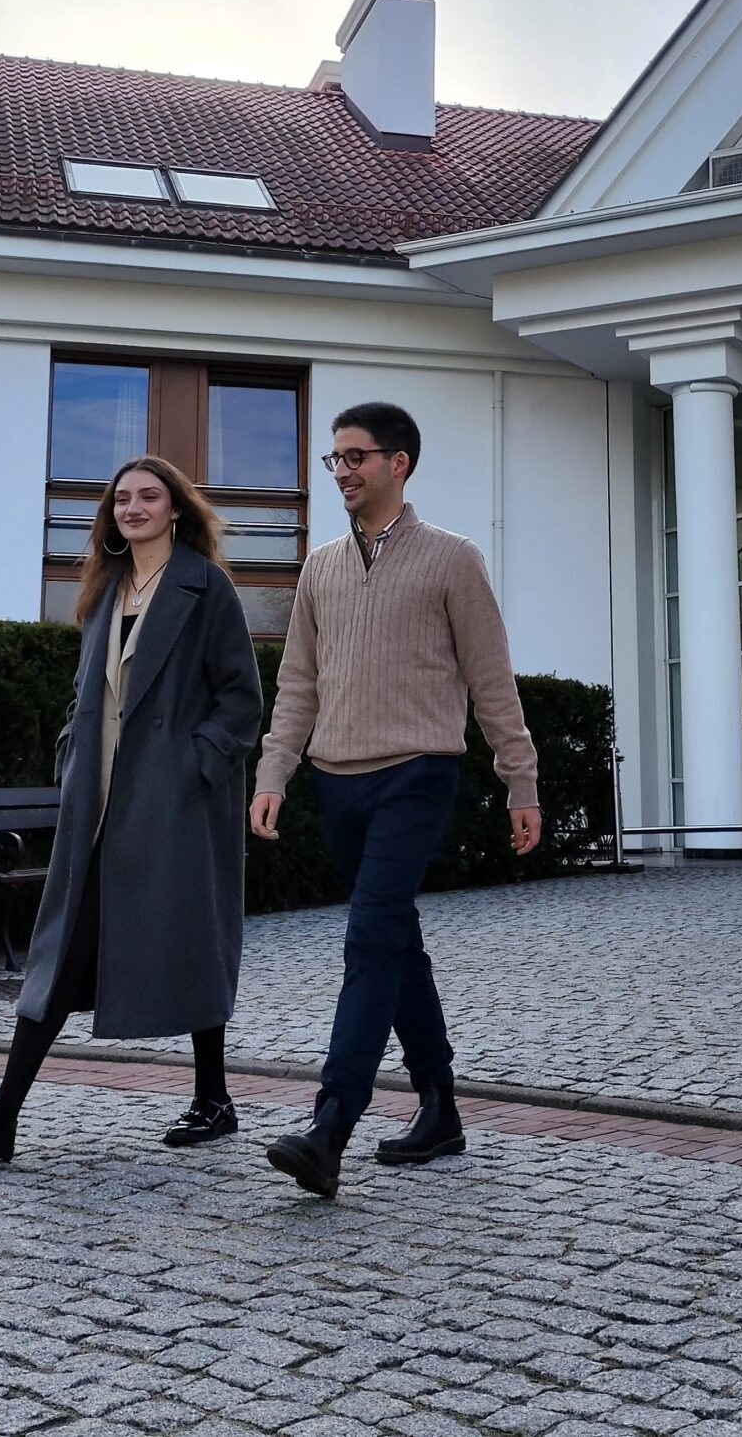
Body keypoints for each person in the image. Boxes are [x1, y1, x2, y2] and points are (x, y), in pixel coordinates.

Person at [0, 455, 261, 1163]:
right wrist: (69, 752)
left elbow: (241, 701)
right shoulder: (106, 589)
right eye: (122, 500)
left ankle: (214, 1098)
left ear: (176, 508)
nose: (133, 507)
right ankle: (4, 1114)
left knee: (191, 937)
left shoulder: (209, 590)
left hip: (173, 801)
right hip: (100, 799)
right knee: (59, 949)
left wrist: (194, 764)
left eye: (149, 496)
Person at [249, 400, 541, 1198]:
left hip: (418, 774)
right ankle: (439, 1107)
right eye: (333, 459)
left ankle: (330, 1126)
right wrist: (274, 772)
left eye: (356, 457)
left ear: (398, 463)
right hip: (335, 781)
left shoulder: (453, 559)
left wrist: (522, 779)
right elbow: (297, 682)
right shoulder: (319, 567)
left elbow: (491, 680)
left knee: (370, 940)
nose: (341, 471)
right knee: (395, 943)